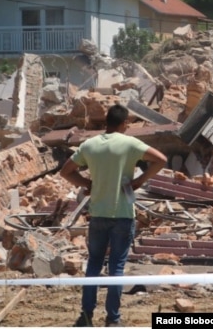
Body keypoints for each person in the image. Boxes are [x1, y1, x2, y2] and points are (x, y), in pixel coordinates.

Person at [59, 104, 167, 327]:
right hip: (123, 214)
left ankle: (86, 317)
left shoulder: (90, 145)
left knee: (94, 265)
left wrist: (87, 183)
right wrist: (139, 181)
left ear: (106, 122)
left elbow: (66, 171)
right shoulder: (130, 143)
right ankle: (113, 319)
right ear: (124, 123)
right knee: (117, 267)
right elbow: (161, 160)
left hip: (98, 213)